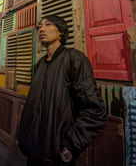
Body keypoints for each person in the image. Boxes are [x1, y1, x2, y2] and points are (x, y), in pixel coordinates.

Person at [18, 15, 107, 166]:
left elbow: (95, 112)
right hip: (33, 153)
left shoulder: (75, 60)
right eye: (40, 26)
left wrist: (67, 146)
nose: (41, 29)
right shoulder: (39, 65)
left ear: (60, 31)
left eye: (47, 24)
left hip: (56, 157)